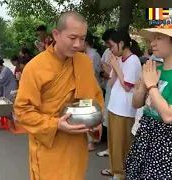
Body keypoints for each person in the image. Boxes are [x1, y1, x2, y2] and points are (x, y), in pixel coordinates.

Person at [14, 11, 104, 180]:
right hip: (49, 147)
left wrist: (96, 120)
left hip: (77, 146)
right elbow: (22, 111)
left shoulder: (84, 62)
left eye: (83, 39)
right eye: (72, 38)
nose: (78, 44)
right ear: (56, 34)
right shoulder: (35, 67)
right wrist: (56, 124)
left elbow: (95, 97)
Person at [125, 19, 172, 179]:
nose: (153, 42)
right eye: (153, 38)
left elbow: (169, 116)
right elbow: (136, 103)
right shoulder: (154, 70)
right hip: (145, 137)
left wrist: (151, 86)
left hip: (169, 144)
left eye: (159, 38)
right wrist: (143, 87)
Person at [100, 29, 143, 179]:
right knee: (113, 143)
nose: (110, 49)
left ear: (121, 44)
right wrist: (112, 69)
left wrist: (117, 68)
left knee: (121, 144)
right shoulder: (118, 59)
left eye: (112, 46)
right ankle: (114, 169)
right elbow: (112, 83)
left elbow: (127, 86)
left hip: (124, 110)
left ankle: (120, 174)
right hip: (114, 107)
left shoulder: (133, 60)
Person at [97, 28, 117, 157]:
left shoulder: (129, 59)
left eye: (110, 45)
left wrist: (110, 72)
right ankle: (111, 149)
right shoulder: (108, 52)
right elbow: (103, 69)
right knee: (108, 120)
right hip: (110, 90)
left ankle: (114, 151)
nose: (109, 48)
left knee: (115, 123)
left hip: (118, 93)